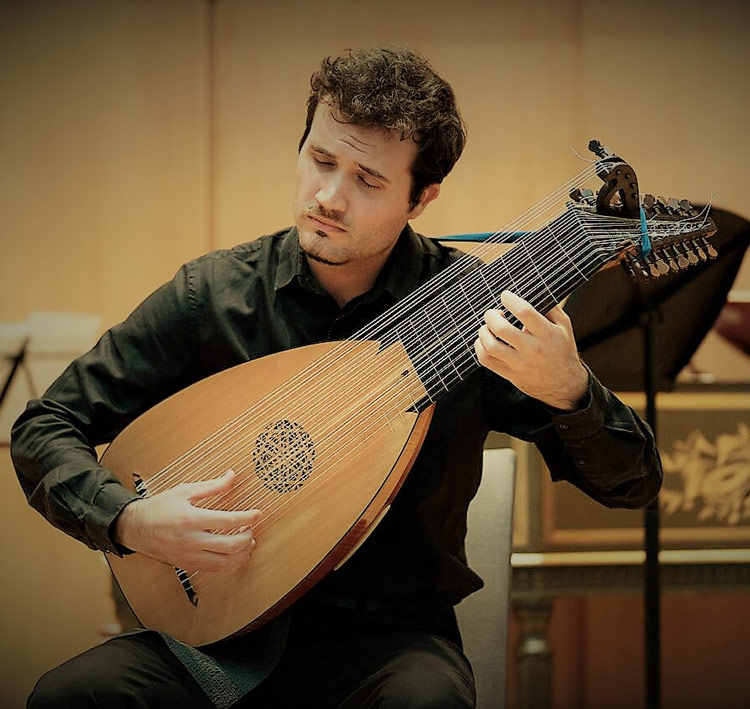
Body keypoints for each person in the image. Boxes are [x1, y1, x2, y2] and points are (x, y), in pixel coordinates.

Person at [11, 46, 662, 708]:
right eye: (321, 161)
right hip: (209, 649)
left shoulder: (475, 318)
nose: (328, 196)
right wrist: (131, 520)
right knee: (70, 695)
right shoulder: (215, 296)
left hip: (387, 650)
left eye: (368, 180)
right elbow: (45, 424)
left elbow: (636, 480)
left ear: (422, 197)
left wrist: (570, 390)